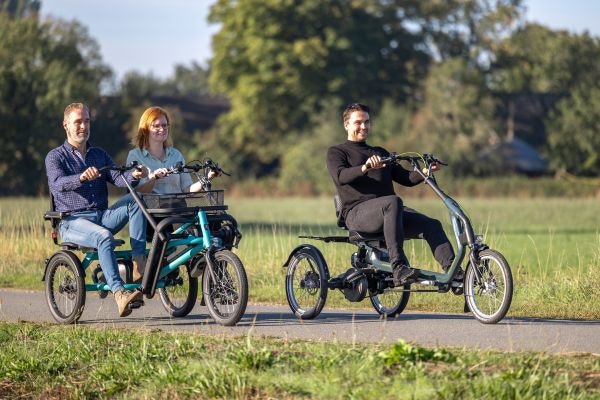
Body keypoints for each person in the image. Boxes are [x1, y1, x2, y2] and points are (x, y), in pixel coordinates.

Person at [326, 103, 457, 286]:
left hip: (390, 212)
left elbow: (406, 178)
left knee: (432, 225)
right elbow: (341, 176)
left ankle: (455, 274)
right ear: (346, 125)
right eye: (358, 122)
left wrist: (426, 172)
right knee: (393, 202)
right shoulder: (337, 152)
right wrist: (365, 167)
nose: (363, 126)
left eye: (367, 122)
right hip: (357, 215)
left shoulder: (380, 152)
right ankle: (398, 267)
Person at [45, 102, 149, 317]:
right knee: (103, 237)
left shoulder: (99, 154)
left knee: (135, 199)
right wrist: (81, 177)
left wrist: (135, 176)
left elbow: (118, 178)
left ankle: (139, 261)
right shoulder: (55, 156)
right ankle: (120, 294)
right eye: (78, 122)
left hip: (102, 216)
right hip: (71, 221)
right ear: (65, 125)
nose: (83, 126)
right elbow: (57, 184)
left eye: (86, 121)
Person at [126, 106, 218, 194]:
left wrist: (208, 177)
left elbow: (187, 189)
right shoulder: (135, 156)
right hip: (148, 210)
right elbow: (135, 193)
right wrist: (154, 178)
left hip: (177, 208)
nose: (162, 129)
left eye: (164, 125)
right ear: (145, 129)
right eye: (156, 126)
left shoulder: (176, 155)